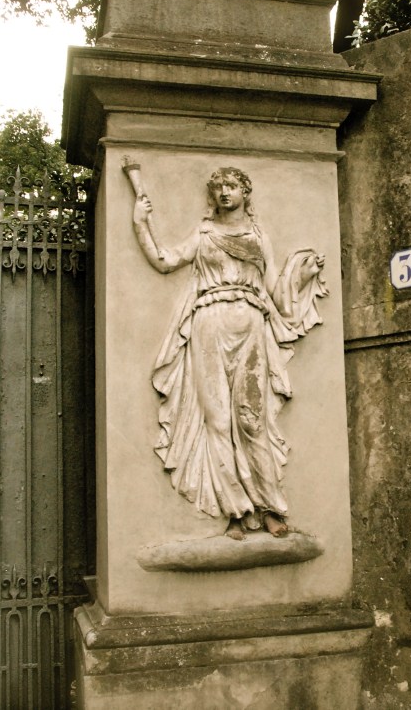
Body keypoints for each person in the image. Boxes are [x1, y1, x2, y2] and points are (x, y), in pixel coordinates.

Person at [129, 163, 326, 540]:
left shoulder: (258, 235)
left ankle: (269, 507)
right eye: (219, 186)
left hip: (250, 325)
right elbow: (165, 260)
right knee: (217, 420)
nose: (224, 192)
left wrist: (302, 275)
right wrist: (141, 223)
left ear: (245, 193)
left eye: (232, 186)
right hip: (208, 323)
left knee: (251, 420)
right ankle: (236, 510)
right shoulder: (204, 234)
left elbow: (276, 292)